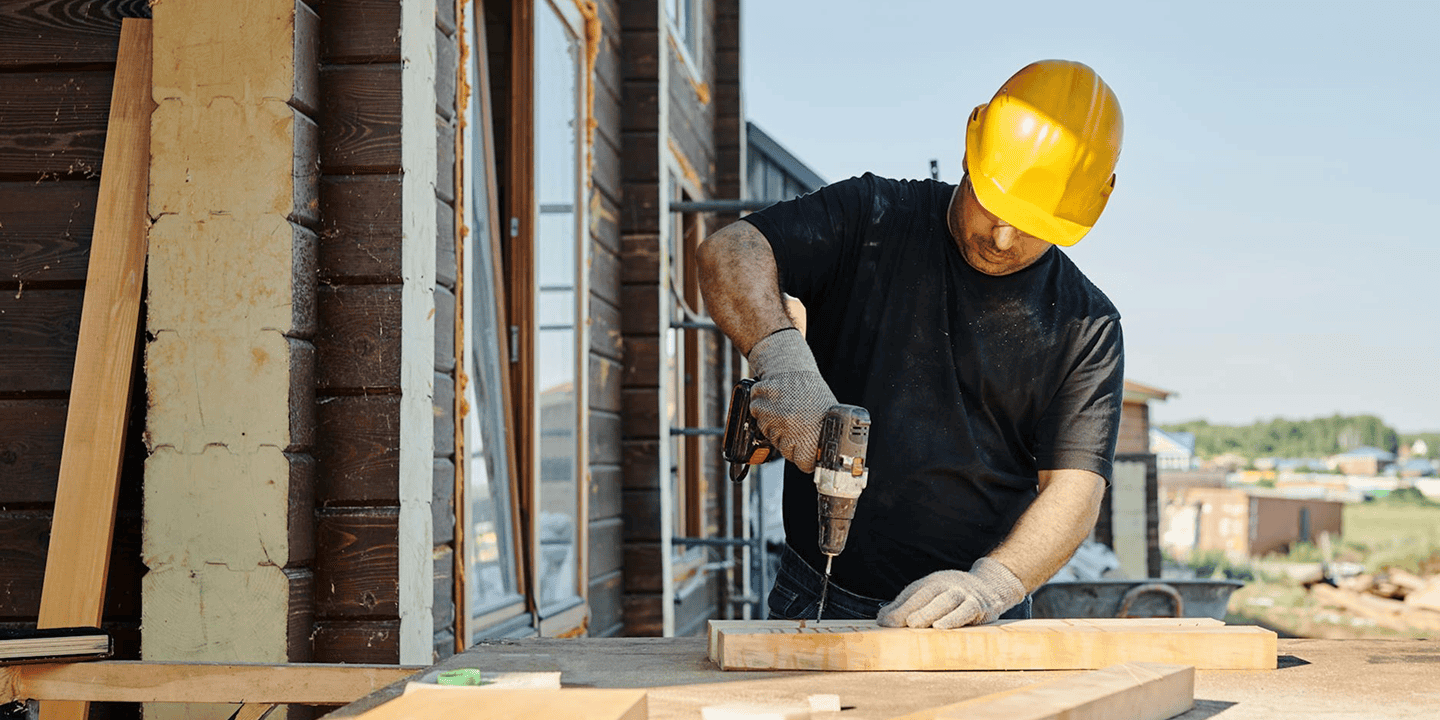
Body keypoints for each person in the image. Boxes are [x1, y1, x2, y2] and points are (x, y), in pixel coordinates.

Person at [696, 60, 1126, 629]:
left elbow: (1074, 492)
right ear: (970, 154)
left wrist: (993, 585)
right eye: (993, 204)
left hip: (974, 614)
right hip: (819, 592)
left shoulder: (1086, 324)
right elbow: (730, 250)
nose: (1002, 237)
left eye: (1031, 223)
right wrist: (781, 357)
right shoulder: (871, 218)